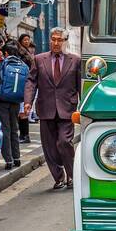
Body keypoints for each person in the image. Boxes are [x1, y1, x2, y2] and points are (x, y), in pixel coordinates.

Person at [25, 27, 82, 190]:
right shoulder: (39, 59)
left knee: (64, 142)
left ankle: (72, 175)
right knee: (49, 147)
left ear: (65, 41)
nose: (56, 43)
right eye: (53, 39)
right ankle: (58, 177)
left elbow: (80, 85)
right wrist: (27, 101)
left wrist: (83, 104)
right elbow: (31, 81)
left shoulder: (75, 60)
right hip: (46, 108)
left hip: (67, 109)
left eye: (59, 40)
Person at [0, 40, 29, 171]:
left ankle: (8, 160)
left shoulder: (0, 65)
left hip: (1, 101)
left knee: (5, 130)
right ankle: (17, 158)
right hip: (16, 101)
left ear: (5, 53)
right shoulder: (23, 65)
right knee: (14, 129)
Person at [16, 34, 36, 143]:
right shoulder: (24, 52)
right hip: (24, 83)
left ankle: (24, 136)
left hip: (23, 83)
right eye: (25, 40)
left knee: (22, 111)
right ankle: (24, 135)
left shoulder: (25, 53)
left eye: (28, 39)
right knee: (21, 111)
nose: (27, 41)